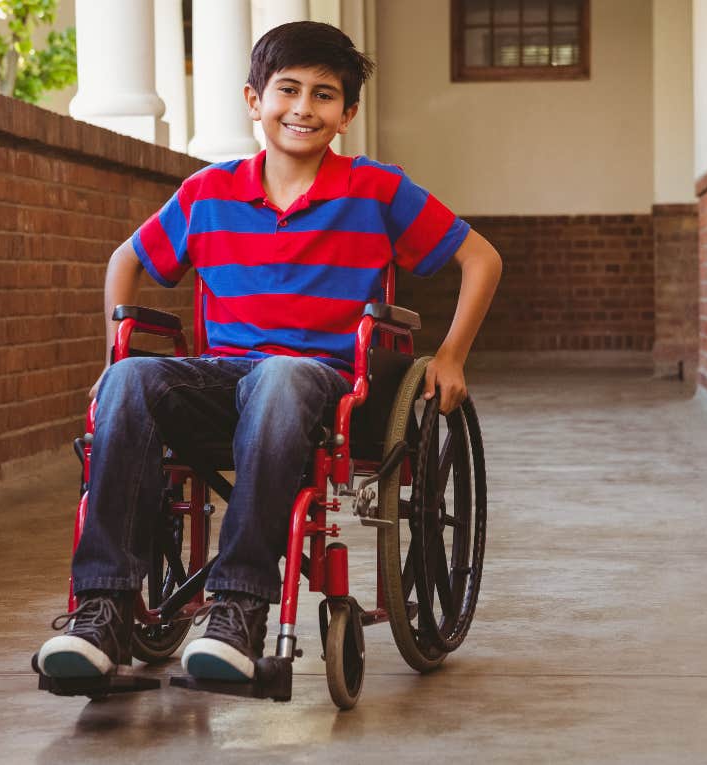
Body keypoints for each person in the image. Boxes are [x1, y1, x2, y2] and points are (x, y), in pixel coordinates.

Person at [36, 20, 502, 685]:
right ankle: (104, 608)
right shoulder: (208, 193)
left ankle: (238, 608)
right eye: (288, 90)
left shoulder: (375, 190)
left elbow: (479, 258)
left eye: (324, 95)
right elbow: (126, 260)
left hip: (327, 391)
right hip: (223, 384)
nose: (304, 108)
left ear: (346, 115)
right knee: (131, 380)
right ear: (254, 99)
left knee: (281, 376)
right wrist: (113, 365)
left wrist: (452, 355)